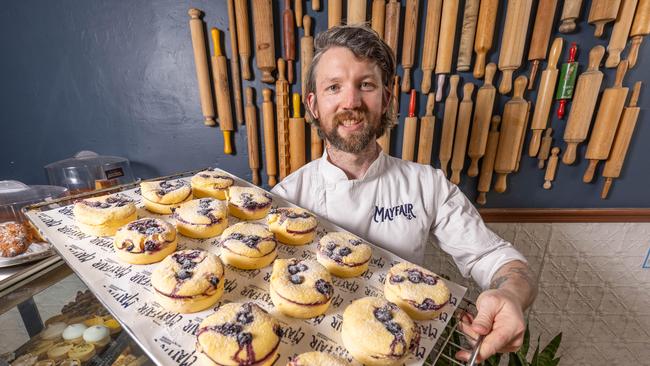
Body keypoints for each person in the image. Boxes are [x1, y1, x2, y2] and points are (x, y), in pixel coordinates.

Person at [271, 25, 537, 363]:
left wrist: (511, 293)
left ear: (386, 98)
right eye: (334, 87)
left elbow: (496, 259)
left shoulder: (427, 185)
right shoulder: (284, 200)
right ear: (313, 104)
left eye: (366, 85)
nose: (350, 101)